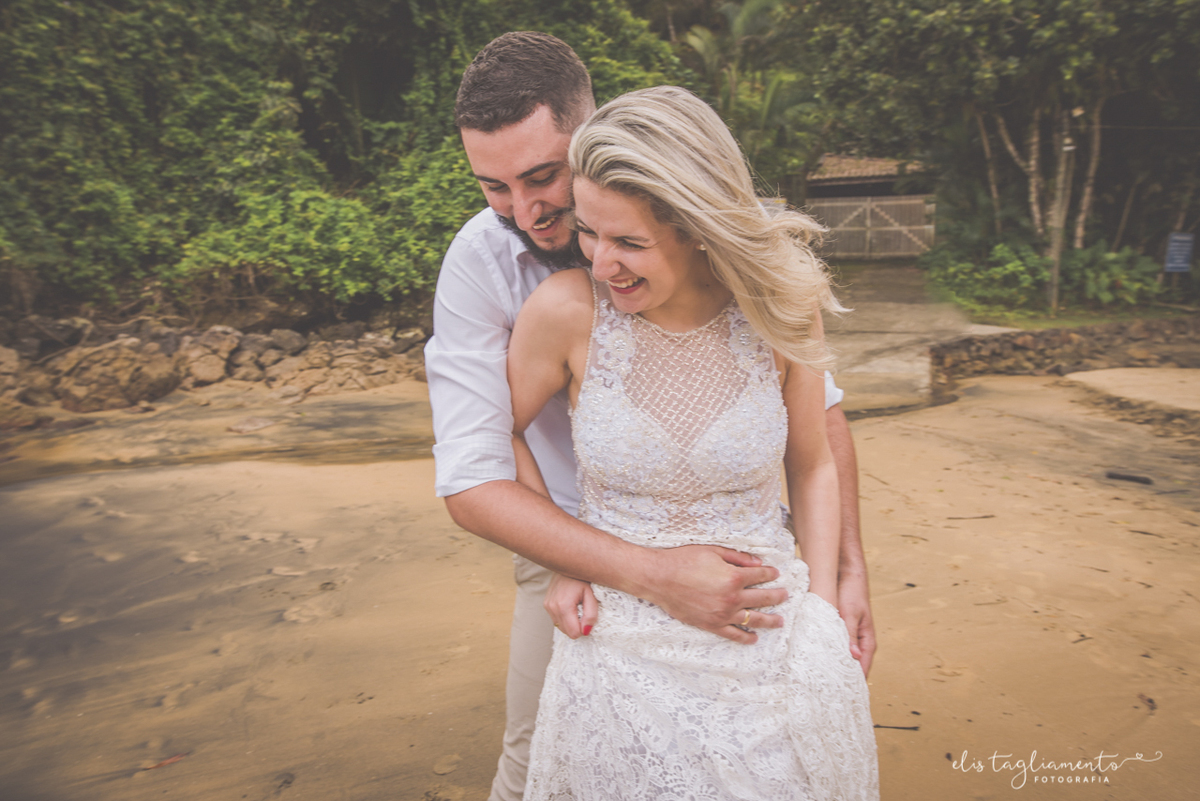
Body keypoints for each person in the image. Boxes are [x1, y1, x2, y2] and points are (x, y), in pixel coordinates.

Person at [424, 32, 874, 801]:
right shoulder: (491, 266)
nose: (525, 212)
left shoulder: (735, 241)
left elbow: (816, 431)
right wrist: (624, 568)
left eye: (540, 177)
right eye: (493, 187)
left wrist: (842, 578)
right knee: (535, 750)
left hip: (755, 564)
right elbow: (473, 472)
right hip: (562, 528)